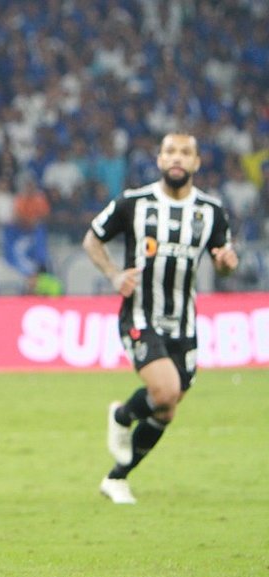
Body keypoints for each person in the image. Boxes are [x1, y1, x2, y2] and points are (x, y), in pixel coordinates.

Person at [83, 132, 239, 505]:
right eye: (170, 151)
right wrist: (114, 276)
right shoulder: (134, 203)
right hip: (140, 314)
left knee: (167, 410)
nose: (177, 158)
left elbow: (225, 262)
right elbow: (92, 239)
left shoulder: (211, 211)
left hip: (184, 322)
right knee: (165, 390)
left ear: (197, 162)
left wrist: (226, 265)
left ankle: (117, 478)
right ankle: (122, 417)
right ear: (159, 159)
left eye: (186, 152)